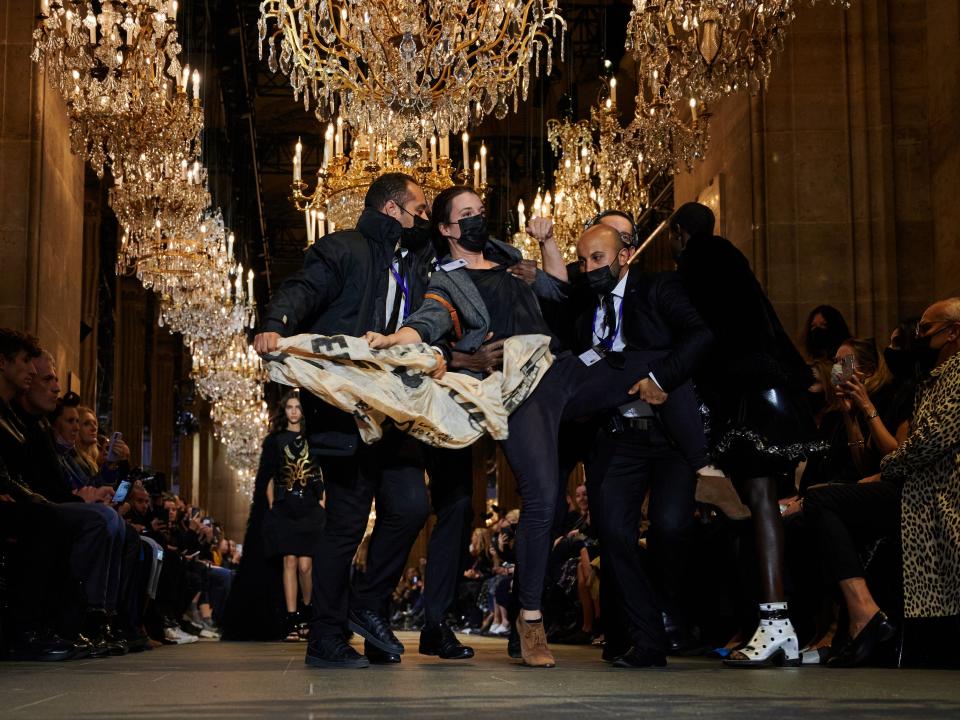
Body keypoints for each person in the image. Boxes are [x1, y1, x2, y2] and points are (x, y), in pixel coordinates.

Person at [366, 188, 705, 668]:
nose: (480, 218)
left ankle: (703, 465)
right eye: (467, 215)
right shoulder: (446, 279)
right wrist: (394, 339)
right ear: (445, 229)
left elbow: (559, 291)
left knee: (651, 360)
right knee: (544, 497)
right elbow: (427, 319)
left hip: (562, 366)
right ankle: (529, 619)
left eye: (481, 209)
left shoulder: (508, 257)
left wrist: (545, 247)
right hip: (521, 386)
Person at [253, 172, 436, 669]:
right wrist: (275, 325)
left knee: (411, 507)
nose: (425, 217)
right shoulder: (344, 248)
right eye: (418, 207)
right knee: (346, 526)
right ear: (393, 209)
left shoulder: (417, 263)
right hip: (343, 410)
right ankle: (327, 639)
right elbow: (303, 288)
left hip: (396, 409)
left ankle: (366, 605)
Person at [669, 202, 824, 668]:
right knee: (764, 503)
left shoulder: (697, 261)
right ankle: (787, 628)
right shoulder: (732, 257)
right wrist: (799, 377)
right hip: (767, 388)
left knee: (760, 503)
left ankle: (776, 624)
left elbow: (699, 333)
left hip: (745, 395)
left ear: (678, 234)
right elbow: (767, 318)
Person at [567, 223, 714, 667]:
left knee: (670, 529)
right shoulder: (584, 307)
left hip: (669, 435)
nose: (590, 268)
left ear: (625, 255)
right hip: (614, 437)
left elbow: (702, 335)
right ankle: (645, 640)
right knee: (613, 537)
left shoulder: (658, 288)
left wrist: (659, 378)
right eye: (583, 260)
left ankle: (671, 618)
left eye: (598, 259)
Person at [804, 298, 960, 667]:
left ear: (953, 333)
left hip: (936, 489)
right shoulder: (932, 378)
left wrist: (886, 466)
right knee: (818, 505)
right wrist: (852, 418)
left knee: (824, 503)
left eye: (925, 330)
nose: (916, 337)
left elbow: (926, 443)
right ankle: (853, 619)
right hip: (917, 485)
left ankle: (865, 615)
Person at [262, 391, 325, 642]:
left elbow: (321, 472)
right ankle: (292, 620)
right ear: (284, 410)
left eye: (298, 407)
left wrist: (322, 503)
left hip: (310, 507)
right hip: (284, 507)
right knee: (289, 561)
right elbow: (270, 474)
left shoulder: (313, 438)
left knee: (305, 566)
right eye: (289, 407)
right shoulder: (276, 440)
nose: (294, 411)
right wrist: (272, 506)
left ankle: (308, 614)